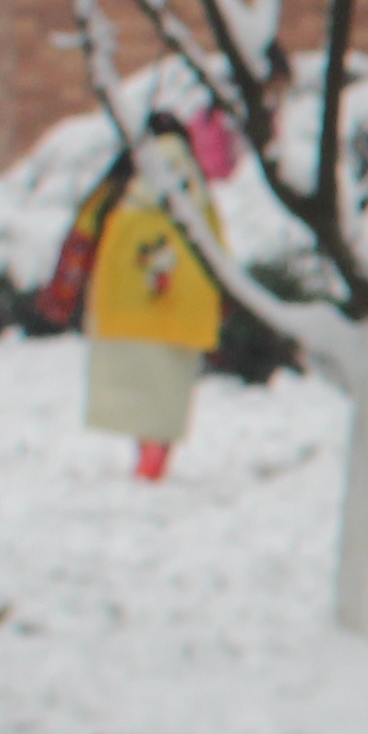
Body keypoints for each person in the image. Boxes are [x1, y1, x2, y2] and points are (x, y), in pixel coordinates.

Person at [80, 115, 228, 479]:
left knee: (138, 389)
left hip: (124, 305)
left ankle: (144, 452)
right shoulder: (196, 190)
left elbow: (85, 229)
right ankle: (156, 457)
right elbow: (218, 249)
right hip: (185, 310)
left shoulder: (123, 184)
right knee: (168, 392)